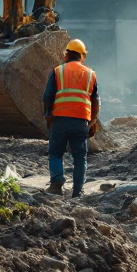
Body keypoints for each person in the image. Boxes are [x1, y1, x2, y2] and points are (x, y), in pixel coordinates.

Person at [42, 39, 100, 198]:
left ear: (66, 54)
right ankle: (78, 191)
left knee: (55, 153)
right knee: (80, 158)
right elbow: (95, 101)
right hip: (81, 121)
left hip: (60, 120)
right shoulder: (90, 74)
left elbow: (47, 96)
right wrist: (93, 122)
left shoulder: (58, 71)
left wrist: (48, 115)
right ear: (82, 56)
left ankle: (56, 182)